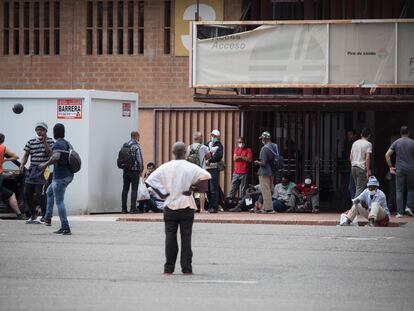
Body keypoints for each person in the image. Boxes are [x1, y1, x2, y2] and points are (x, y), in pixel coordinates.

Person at [146, 142, 211, 275]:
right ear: (185, 153)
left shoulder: (166, 167)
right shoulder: (190, 166)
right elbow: (206, 175)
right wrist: (193, 187)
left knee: (170, 238)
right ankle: (187, 268)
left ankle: (168, 268)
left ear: (172, 152)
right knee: (186, 238)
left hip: (170, 205)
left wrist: (163, 194)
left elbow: (150, 180)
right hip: (187, 205)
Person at [39, 124, 74, 235]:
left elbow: (55, 157)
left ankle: (65, 227)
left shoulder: (58, 143)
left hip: (61, 177)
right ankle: (47, 218)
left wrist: (45, 164)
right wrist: (45, 142)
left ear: (55, 132)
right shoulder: (66, 143)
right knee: (49, 192)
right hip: (68, 175)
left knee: (59, 202)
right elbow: (52, 154)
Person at [20, 122, 54, 224]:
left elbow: (50, 154)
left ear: (46, 131)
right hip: (32, 170)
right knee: (27, 192)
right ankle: (33, 215)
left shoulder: (50, 141)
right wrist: (22, 164)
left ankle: (45, 216)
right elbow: (26, 155)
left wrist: (45, 143)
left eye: (42, 129)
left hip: (44, 170)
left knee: (40, 193)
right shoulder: (31, 142)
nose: (40, 131)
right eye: (38, 129)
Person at [385, 125, 414, 218]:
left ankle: (400, 212)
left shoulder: (396, 142)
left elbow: (387, 155)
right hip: (411, 169)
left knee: (399, 190)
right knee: (411, 189)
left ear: (400, 133)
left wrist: (390, 167)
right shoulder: (412, 142)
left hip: (399, 169)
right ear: (408, 133)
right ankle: (409, 207)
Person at [0, 133, 25, 219]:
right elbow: (16, 157)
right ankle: (19, 215)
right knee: (11, 195)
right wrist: (5, 160)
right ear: (3, 141)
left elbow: (3, 176)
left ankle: (19, 214)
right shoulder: (3, 148)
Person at [254, 131, 277, 214]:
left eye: (262, 138)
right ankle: (266, 207)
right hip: (272, 171)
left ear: (264, 138)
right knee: (269, 190)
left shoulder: (264, 148)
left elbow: (263, 163)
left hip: (264, 172)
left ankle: (268, 209)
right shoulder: (275, 146)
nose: (261, 140)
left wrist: (257, 162)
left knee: (265, 190)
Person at [187, 131, 210, 213]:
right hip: (201, 172)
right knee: (202, 191)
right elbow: (208, 157)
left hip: (191, 173)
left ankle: (192, 208)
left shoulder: (189, 147)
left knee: (191, 191)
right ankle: (202, 209)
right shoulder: (203, 147)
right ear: (200, 138)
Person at [121, 131, 144, 214]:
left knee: (125, 189)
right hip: (134, 171)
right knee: (134, 189)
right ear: (137, 136)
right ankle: (133, 209)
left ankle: (123, 209)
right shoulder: (136, 146)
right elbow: (139, 159)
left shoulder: (125, 145)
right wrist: (141, 169)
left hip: (125, 170)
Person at [350, 128, 372, 197]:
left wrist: (353, 164)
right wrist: (368, 171)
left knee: (357, 187)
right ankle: (356, 206)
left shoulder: (355, 143)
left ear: (361, 134)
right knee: (359, 189)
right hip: (361, 168)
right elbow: (367, 158)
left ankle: (358, 206)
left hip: (353, 167)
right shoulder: (368, 144)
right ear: (369, 136)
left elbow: (350, 157)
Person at [205, 129, 223, 214]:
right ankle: (209, 205)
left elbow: (219, 156)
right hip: (206, 169)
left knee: (213, 188)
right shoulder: (207, 144)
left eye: (215, 136)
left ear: (218, 137)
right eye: (212, 135)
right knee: (207, 188)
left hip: (214, 168)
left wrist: (210, 160)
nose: (213, 137)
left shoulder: (219, 145)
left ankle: (214, 207)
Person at [345, 129, 358, 199]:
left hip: (353, 166)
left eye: (350, 135)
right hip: (351, 166)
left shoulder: (354, 143)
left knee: (352, 186)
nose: (348, 136)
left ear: (354, 135)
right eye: (348, 135)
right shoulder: (349, 143)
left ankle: (355, 203)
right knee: (352, 186)